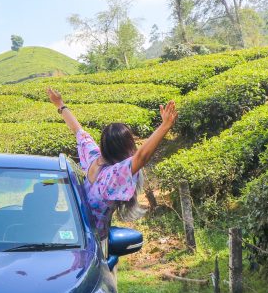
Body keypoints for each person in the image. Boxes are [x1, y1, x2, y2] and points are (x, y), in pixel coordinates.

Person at [46, 87, 177, 239]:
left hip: (70, 233)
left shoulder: (93, 157)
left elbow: (78, 130)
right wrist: (165, 126)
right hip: (92, 244)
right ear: (125, 148)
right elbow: (141, 157)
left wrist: (60, 104)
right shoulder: (112, 176)